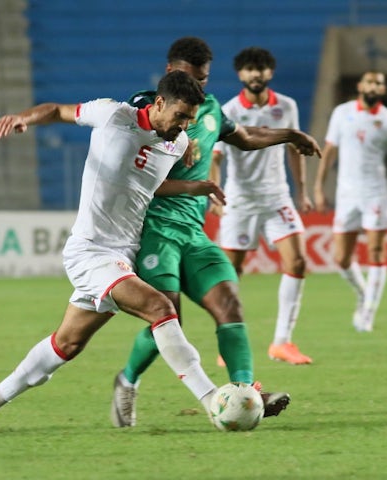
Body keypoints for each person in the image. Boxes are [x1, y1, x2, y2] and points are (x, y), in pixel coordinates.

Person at [0, 70, 226, 430]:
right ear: (159, 103)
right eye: (180, 117)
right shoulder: (113, 115)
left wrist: (194, 187)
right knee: (161, 307)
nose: (184, 126)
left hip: (121, 257)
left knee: (66, 344)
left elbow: (145, 185)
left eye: (190, 119)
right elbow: (57, 111)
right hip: (91, 251)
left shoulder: (176, 143)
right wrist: (24, 118)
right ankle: (214, 401)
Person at [111, 37, 322, 428]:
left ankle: (245, 392)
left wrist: (290, 135)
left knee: (230, 305)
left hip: (193, 230)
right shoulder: (143, 107)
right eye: (194, 78)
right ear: (173, 73)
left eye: (206, 79)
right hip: (155, 228)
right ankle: (127, 380)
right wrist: (177, 142)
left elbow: (244, 137)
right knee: (168, 317)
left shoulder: (208, 108)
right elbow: (129, 167)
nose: (202, 88)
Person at [211, 47, 313, 365]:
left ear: (270, 72)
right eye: (250, 69)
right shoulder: (227, 111)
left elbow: (295, 147)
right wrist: (213, 194)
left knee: (296, 262)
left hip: (276, 197)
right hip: (239, 201)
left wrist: (303, 190)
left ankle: (282, 342)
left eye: (262, 68)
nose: (256, 74)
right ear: (240, 74)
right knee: (230, 273)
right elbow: (216, 157)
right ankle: (228, 342)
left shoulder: (286, 106)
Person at [313, 71, 387, 332]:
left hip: (376, 194)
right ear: (360, 86)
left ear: (383, 89)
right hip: (346, 195)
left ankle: (368, 312)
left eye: (379, 83)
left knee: (376, 252)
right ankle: (363, 293)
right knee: (341, 257)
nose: (374, 86)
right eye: (370, 81)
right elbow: (330, 151)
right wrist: (319, 187)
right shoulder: (342, 113)